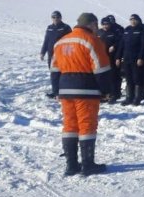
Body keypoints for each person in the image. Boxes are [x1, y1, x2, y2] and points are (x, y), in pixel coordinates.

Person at [52, 13, 112, 176]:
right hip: (86, 90)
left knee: (70, 125)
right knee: (87, 125)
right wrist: (106, 91)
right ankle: (88, 164)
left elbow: (54, 69)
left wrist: (56, 90)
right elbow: (101, 69)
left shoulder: (61, 42)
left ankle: (71, 165)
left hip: (65, 90)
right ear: (92, 24)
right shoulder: (92, 40)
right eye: (96, 25)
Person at [116, 14, 144, 106]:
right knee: (129, 79)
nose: (132, 21)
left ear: (138, 20)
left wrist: (141, 57)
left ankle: (137, 98)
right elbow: (121, 45)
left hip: (137, 59)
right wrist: (118, 57)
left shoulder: (142, 30)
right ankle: (128, 98)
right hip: (127, 58)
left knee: (137, 78)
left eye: (134, 20)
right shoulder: (127, 30)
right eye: (131, 20)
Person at [40, 10, 72, 98]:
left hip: (63, 54)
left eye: (57, 17)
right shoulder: (49, 27)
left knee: (63, 74)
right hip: (51, 55)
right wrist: (43, 52)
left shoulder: (66, 27)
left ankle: (63, 92)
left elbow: (71, 41)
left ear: (61, 18)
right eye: (53, 17)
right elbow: (46, 41)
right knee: (53, 73)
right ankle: (55, 92)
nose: (55, 19)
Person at [97, 16, 123, 103]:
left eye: (107, 24)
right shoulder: (98, 32)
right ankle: (104, 94)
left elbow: (119, 43)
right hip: (101, 58)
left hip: (112, 57)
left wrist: (114, 47)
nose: (105, 26)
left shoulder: (114, 32)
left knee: (113, 76)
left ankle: (114, 94)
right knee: (102, 77)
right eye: (104, 24)